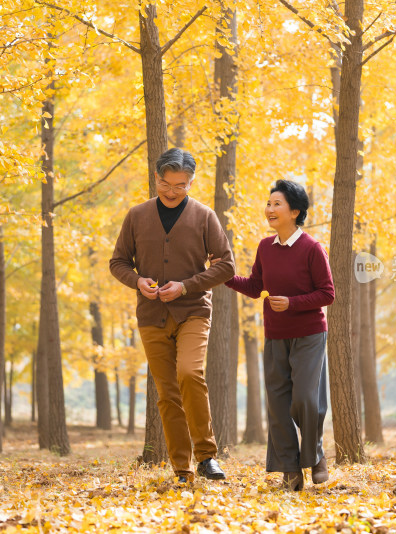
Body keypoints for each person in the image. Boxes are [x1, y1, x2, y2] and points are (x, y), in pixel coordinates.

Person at [109, 147, 235, 483]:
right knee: (167, 393)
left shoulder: (205, 216)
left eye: (181, 185)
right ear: (156, 178)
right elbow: (118, 261)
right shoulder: (136, 216)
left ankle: (207, 455)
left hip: (193, 311)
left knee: (190, 374)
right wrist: (136, 280)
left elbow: (226, 264)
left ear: (191, 182)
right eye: (166, 184)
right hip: (151, 315)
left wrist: (186, 286)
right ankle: (182, 468)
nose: (172, 191)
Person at [224, 179, 334, 491]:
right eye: (269, 203)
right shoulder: (264, 248)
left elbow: (328, 293)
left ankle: (315, 455)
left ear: (295, 211)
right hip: (275, 336)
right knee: (278, 403)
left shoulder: (312, 249)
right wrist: (226, 276)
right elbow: (255, 286)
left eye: (277, 204)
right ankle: (290, 469)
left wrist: (293, 303)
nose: (269, 209)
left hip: (309, 335)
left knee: (305, 400)